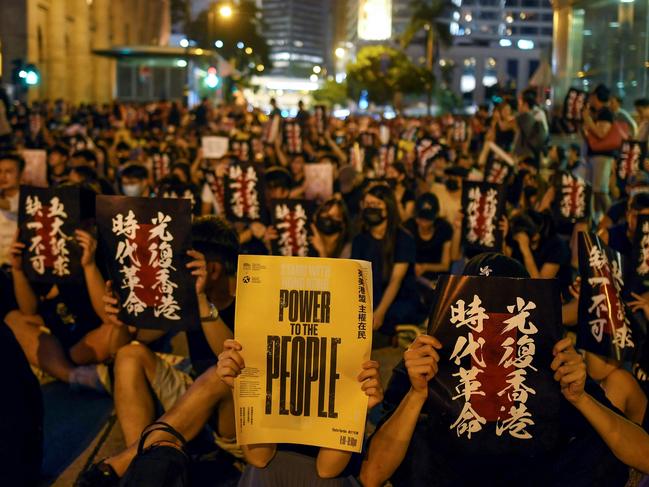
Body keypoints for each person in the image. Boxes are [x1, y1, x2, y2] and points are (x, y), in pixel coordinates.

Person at [360, 253, 630, 487]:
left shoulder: (552, 361)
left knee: (600, 445)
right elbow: (372, 476)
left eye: (503, 311)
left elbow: (637, 450)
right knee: (414, 434)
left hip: (534, 477)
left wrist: (581, 397)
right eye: (480, 309)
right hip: (450, 477)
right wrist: (417, 395)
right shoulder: (427, 359)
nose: (491, 323)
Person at [77, 216, 241, 485]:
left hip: (236, 412)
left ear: (212, 270)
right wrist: (120, 320)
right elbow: (124, 348)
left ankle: (131, 460)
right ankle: (145, 468)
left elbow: (235, 356)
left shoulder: (248, 296)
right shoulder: (187, 296)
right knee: (131, 355)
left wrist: (201, 300)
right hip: (196, 399)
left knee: (221, 370)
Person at [351, 184, 424, 347]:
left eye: (376, 205)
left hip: (398, 298)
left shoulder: (403, 238)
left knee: (388, 316)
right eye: (368, 205)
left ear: (388, 208)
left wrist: (380, 312)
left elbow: (396, 280)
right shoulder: (360, 239)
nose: (371, 209)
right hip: (370, 296)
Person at [403, 193, 453, 281]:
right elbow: (402, 260)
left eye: (427, 219)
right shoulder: (408, 228)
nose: (423, 223)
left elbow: (445, 265)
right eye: (420, 218)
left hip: (437, 278)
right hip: (411, 276)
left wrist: (425, 267)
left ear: (436, 215)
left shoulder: (444, 228)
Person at [0, 153, 22, 267]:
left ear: (21, 174)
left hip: (16, 267)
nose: (2, 176)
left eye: (8, 172)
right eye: (0, 171)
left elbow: (12, 207)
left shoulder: (28, 200)